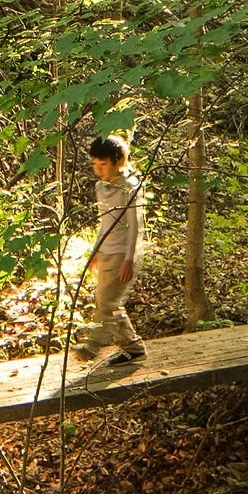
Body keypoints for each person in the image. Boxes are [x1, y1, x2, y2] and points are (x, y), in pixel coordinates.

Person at [75, 129, 146, 364]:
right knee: (106, 300)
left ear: (118, 161)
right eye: (94, 164)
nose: (98, 169)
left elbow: (136, 226)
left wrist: (130, 258)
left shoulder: (130, 186)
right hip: (107, 251)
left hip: (122, 253)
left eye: (103, 164)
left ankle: (93, 346)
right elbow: (104, 223)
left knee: (107, 302)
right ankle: (132, 345)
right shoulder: (101, 187)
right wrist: (96, 250)